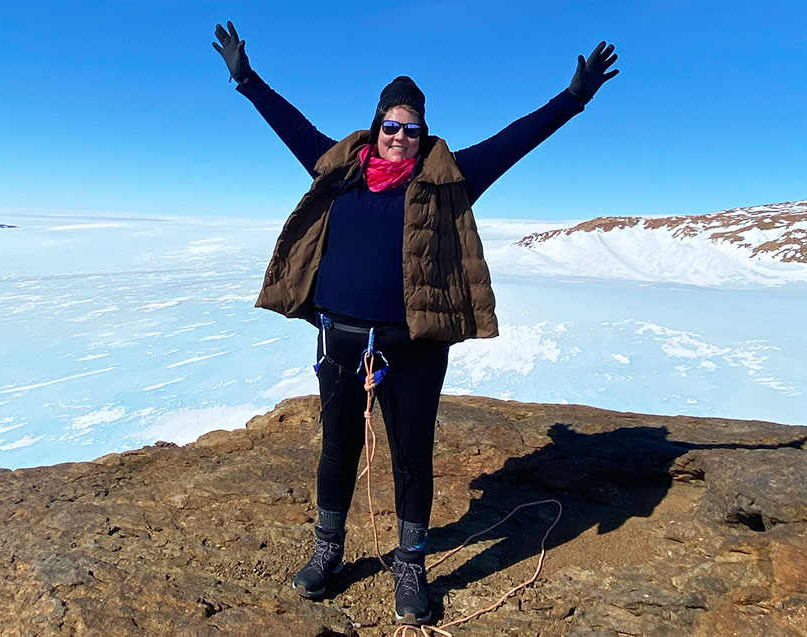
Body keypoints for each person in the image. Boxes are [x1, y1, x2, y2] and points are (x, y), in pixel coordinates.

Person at [212, 20, 618, 626]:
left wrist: (574, 98)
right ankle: (328, 549)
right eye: (391, 126)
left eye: (412, 129)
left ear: (425, 134)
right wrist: (247, 79)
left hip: (413, 346)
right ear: (376, 127)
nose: (401, 137)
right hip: (340, 339)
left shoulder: (450, 179)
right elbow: (288, 124)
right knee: (338, 448)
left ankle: (410, 563)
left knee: (411, 454)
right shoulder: (338, 169)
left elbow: (517, 139)